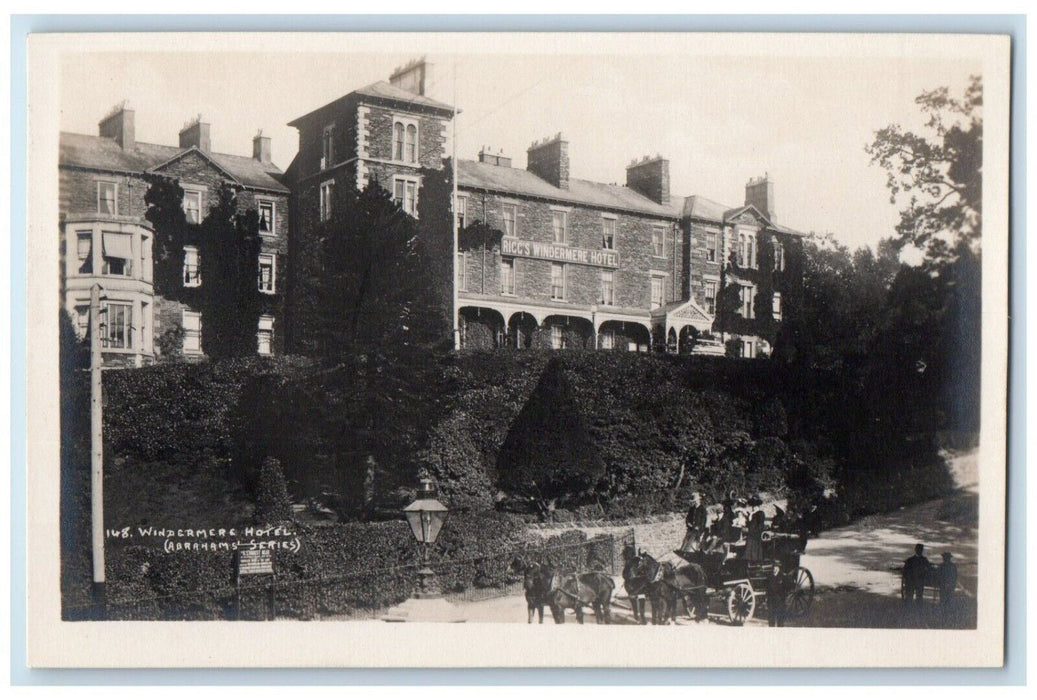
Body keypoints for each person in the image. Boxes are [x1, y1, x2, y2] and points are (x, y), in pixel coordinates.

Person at [902, 543, 931, 608]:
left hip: (918, 580)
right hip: (912, 581)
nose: (919, 551)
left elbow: (929, 569)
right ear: (916, 550)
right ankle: (910, 607)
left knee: (918, 596)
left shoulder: (922, 560)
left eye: (920, 550)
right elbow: (905, 571)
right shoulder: (911, 560)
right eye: (918, 549)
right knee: (911, 596)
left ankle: (917, 608)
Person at [766, 560, 788, 627]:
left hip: (780, 602)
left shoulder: (783, 577)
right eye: (773, 567)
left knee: (780, 621)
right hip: (771, 602)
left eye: (776, 567)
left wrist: (783, 600)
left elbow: (785, 589)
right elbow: (767, 589)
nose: (774, 569)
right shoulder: (769, 576)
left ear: (778, 568)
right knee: (771, 620)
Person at [745, 495, 766, 561]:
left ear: (758, 506)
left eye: (755, 506)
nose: (753, 508)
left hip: (756, 534)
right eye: (753, 506)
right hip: (750, 533)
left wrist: (754, 532)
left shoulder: (760, 513)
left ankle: (754, 560)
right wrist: (750, 516)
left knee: (752, 542)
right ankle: (748, 559)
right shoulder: (752, 514)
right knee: (748, 540)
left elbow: (760, 525)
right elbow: (748, 524)